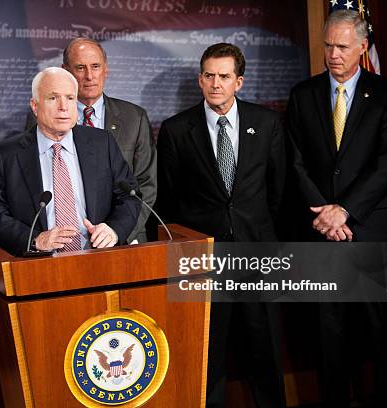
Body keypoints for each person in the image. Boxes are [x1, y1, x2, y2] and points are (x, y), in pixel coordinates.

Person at [286, 9, 387, 407]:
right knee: (328, 331)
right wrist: (326, 214)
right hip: (320, 229)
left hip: (370, 229)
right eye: (328, 45)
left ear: (362, 47)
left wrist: (347, 211)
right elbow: (294, 160)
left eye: (342, 46)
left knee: (383, 330)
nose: (333, 54)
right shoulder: (303, 95)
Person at [156, 43, 286, 408]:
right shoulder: (176, 130)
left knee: (266, 351)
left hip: (257, 256)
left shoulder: (267, 123)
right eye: (209, 76)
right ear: (200, 79)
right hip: (203, 262)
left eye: (224, 76)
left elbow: (277, 192)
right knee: (207, 356)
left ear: (239, 82)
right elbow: (168, 203)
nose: (215, 84)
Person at [0, 67, 140, 255]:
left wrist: (114, 229)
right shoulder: (7, 154)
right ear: (35, 105)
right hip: (39, 266)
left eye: (70, 98)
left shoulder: (102, 143)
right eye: (53, 98)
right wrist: (34, 239)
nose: (63, 106)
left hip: (99, 258)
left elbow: (130, 196)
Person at [25, 38, 156, 243]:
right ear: (66, 71)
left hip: (125, 242)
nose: (89, 76)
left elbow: (146, 185)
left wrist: (117, 232)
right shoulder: (41, 117)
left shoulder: (134, 118)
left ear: (106, 69)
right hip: (61, 244)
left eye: (95, 67)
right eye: (80, 68)